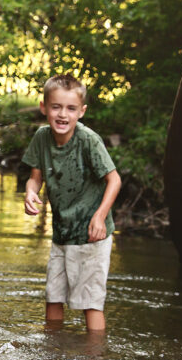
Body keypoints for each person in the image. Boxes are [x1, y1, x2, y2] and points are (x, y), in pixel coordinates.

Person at [22, 74, 121, 332]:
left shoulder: (88, 140)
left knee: (91, 303)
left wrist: (100, 217)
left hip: (92, 236)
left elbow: (115, 180)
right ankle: (53, 350)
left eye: (70, 108)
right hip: (62, 234)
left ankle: (93, 359)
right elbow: (35, 178)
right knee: (53, 297)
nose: (62, 114)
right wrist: (31, 193)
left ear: (81, 111)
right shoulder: (42, 138)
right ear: (44, 107)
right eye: (56, 107)